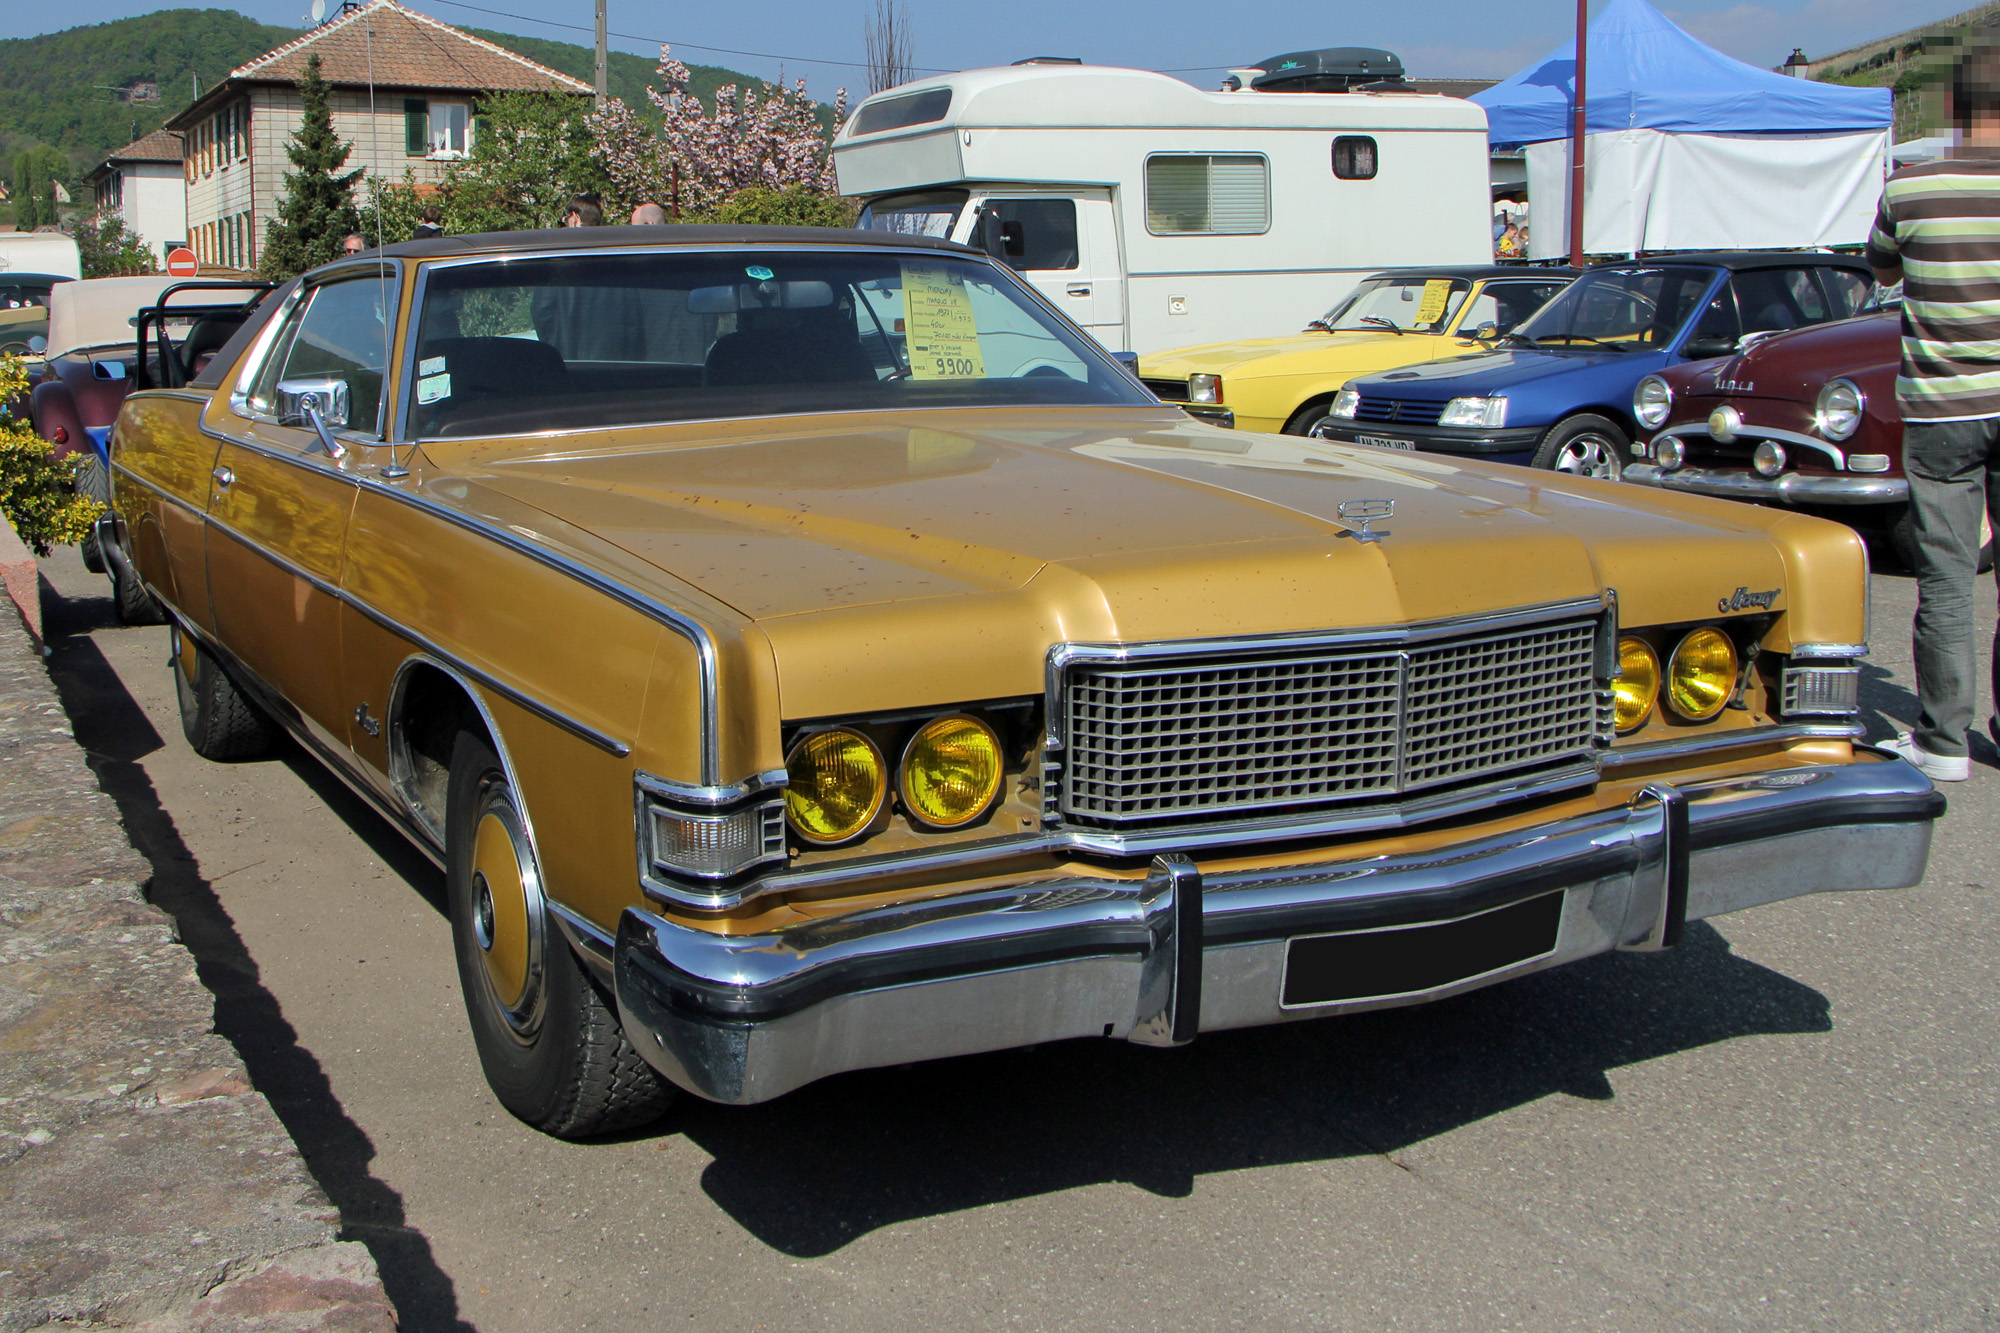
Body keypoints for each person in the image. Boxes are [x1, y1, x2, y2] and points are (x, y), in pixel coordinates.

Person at [1869, 33, 2000, 782]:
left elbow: (1882, 264)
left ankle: (1945, 740)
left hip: (1944, 406)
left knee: (1946, 573)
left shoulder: (1910, 187)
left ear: (1954, 107)